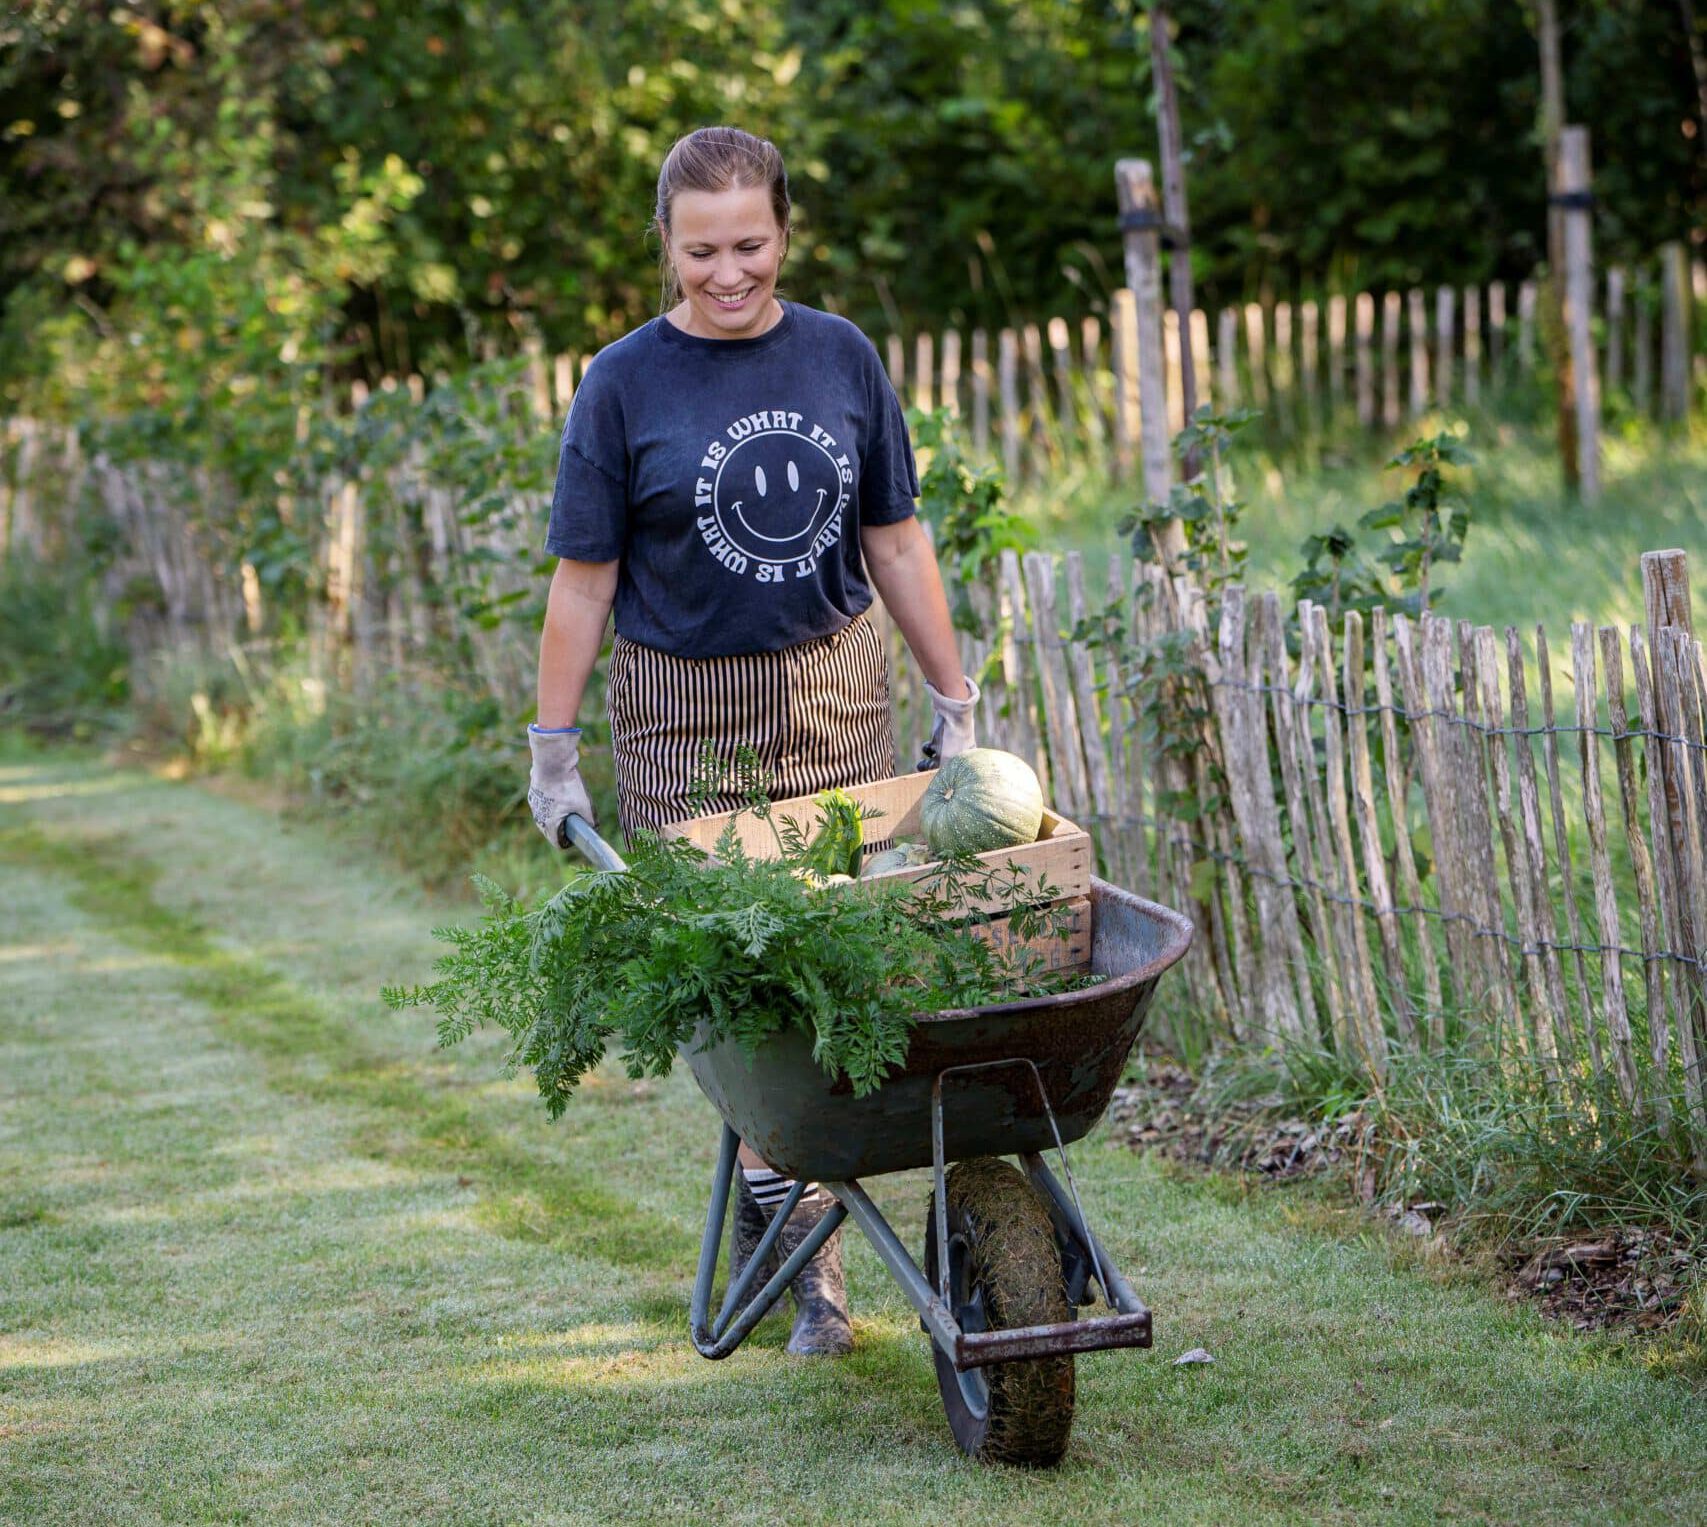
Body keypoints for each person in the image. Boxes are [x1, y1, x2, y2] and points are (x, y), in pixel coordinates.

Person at [525, 125, 979, 1358]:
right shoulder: (623, 383)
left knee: (851, 973)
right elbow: (583, 581)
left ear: (786, 233)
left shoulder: (841, 356)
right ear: (666, 248)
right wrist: (553, 746)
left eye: (752, 246)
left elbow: (894, 540)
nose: (728, 274)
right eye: (701, 252)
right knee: (750, 996)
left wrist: (956, 698)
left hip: (836, 699)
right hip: (684, 715)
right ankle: (808, 1263)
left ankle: (817, 1221)